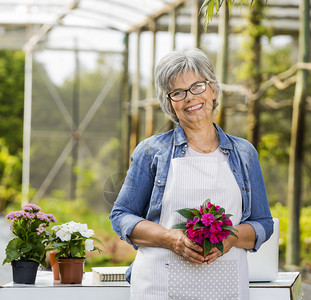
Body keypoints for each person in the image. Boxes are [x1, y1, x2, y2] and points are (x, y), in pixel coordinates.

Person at [110, 48, 273, 299]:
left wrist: (230, 238)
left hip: (226, 286)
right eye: (178, 92)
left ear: (213, 90)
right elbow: (121, 216)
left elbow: (263, 223)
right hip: (158, 286)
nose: (190, 97)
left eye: (197, 86)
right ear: (170, 103)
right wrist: (169, 238)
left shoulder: (244, 153)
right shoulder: (152, 151)